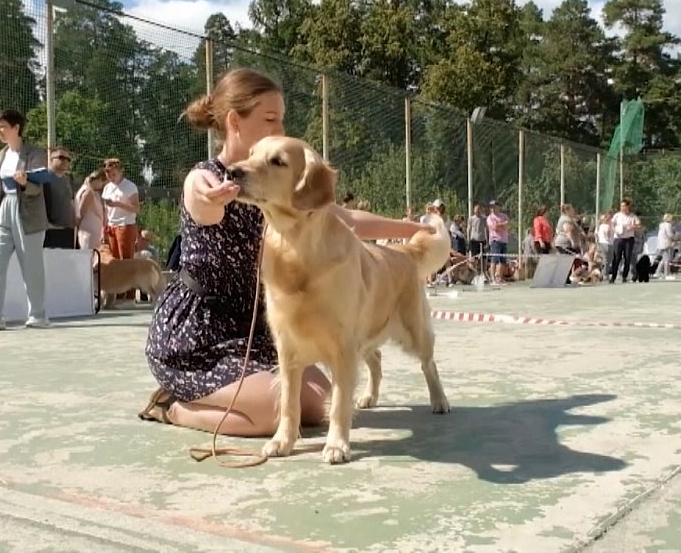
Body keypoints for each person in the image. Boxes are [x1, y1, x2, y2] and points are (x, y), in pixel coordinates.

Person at [140, 67, 434, 437]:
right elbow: (201, 196)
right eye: (269, 119)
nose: (279, 129)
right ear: (235, 122)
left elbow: (345, 218)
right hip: (201, 336)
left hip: (254, 335)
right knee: (270, 415)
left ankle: (232, 396)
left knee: (320, 405)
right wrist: (210, 195)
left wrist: (414, 228)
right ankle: (172, 407)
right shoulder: (209, 176)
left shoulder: (278, 183)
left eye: (281, 119)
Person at [0, 109, 51, 330]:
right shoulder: (0, 156)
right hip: (3, 212)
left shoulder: (34, 153)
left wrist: (24, 182)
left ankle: (37, 315)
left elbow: (37, 189)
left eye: (3, 127)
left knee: (32, 267)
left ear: (16, 128)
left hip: (28, 213)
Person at [102, 157, 140, 301]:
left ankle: (130, 295)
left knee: (126, 260)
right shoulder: (107, 188)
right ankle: (118, 292)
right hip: (111, 226)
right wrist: (104, 228)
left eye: (112, 173)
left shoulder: (129, 187)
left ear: (120, 171)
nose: (110, 176)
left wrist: (118, 204)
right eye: (107, 173)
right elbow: (105, 210)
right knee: (115, 261)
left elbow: (136, 209)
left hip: (125, 225)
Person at [43, 146, 77, 249]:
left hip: (67, 231)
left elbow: (71, 202)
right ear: (51, 158)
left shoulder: (67, 179)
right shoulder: (44, 177)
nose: (65, 161)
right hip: (50, 231)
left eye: (68, 159)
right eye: (61, 157)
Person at [74, 168, 108, 251]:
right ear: (99, 179)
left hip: (91, 231)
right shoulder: (88, 192)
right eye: (103, 183)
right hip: (89, 232)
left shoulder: (88, 191)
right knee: (89, 257)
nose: (102, 186)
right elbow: (81, 212)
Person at [609, 199, 641, 283]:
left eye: (624, 206)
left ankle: (624, 276)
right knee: (616, 258)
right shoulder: (617, 215)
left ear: (628, 207)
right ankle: (613, 276)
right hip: (618, 238)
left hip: (629, 239)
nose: (622, 208)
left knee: (627, 257)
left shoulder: (632, 216)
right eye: (621, 206)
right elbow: (612, 224)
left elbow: (639, 225)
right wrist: (615, 230)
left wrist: (632, 227)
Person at [654, 213, 676, 279]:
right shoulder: (668, 225)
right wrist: (675, 238)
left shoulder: (662, 225)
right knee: (667, 259)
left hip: (661, 243)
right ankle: (667, 274)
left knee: (663, 259)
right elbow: (670, 235)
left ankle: (657, 272)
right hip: (666, 243)